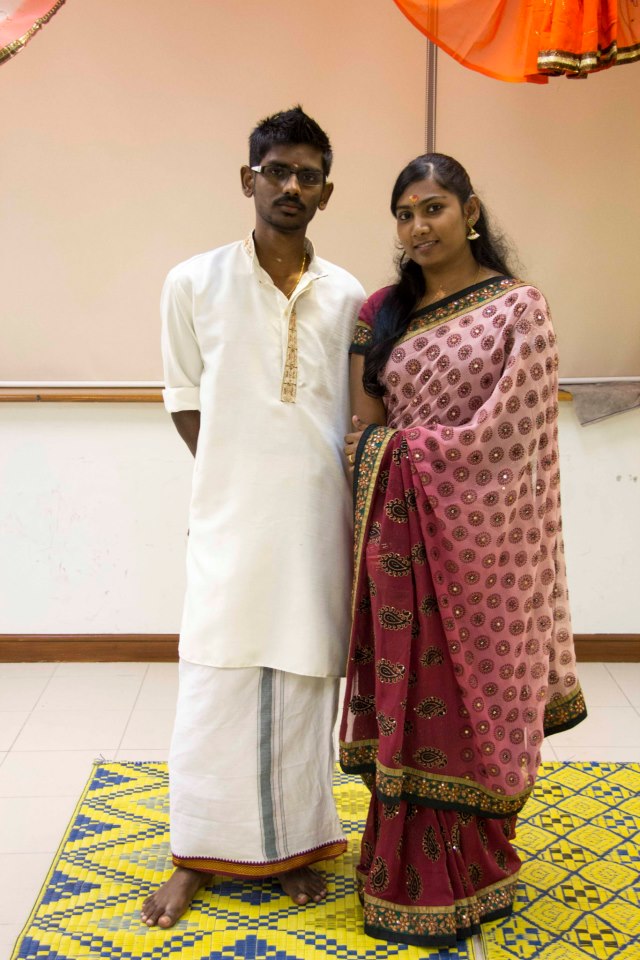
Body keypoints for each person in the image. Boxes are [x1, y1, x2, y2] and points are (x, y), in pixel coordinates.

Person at [340, 153, 587, 948]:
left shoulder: (519, 309)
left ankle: (477, 867)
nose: (418, 227)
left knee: (482, 705)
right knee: (411, 705)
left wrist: (399, 451)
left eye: (433, 208)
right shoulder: (383, 313)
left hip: (491, 550)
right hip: (401, 547)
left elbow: (513, 436)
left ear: (470, 211)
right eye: (404, 214)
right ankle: (403, 870)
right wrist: (381, 453)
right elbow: (365, 431)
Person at [141, 106, 365, 928]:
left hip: (316, 523)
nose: (291, 186)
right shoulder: (192, 282)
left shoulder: (348, 297)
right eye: (278, 171)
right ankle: (194, 856)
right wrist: (234, 481)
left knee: (302, 683)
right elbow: (183, 399)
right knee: (215, 681)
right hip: (230, 519)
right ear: (249, 179)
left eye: (309, 175)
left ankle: (294, 849)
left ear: (327, 192)